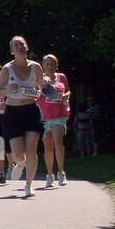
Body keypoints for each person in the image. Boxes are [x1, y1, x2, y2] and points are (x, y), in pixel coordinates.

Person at [0, 36, 44, 198]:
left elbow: (41, 89)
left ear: (27, 47)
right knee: (17, 154)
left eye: (22, 44)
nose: (20, 47)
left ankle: (29, 184)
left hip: (31, 110)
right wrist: (8, 90)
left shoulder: (36, 67)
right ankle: (20, 163)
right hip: (13, 112)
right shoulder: (7, 70)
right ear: (12, 51)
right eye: (16, 46)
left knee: (32, 149)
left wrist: (37, 93)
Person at [39, 53, 71, 186]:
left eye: (52, 64)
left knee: (58, 142)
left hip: (59, 114)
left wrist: (65, 95)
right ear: (43, 66)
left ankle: (61, 172)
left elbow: (69, 91)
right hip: (45, 115)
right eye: (47, 64)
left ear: (56, 66)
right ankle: (50, 174)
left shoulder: (61, 77)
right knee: (48, 146)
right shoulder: (39, 78)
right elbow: (33, 93)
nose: (50, 66)